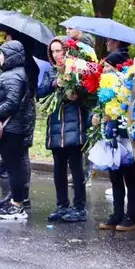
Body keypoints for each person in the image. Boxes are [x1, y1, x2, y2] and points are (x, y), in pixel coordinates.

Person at [41, 37, 90, 223]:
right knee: (59, 168)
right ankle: (62, 205)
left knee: (76, 167)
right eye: (52, 51)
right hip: (56, 125)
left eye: (58, 51)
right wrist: (54, 84)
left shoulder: (77, 69)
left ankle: (79, 207)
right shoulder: (50, 71)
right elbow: (39, 91)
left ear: (66, 51)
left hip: (74, 124)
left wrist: (75, 94)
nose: (55, 55)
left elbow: (87, 93)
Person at [96, 40, 135, 233]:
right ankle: (117, 213)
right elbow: (97, 108)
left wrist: (118, 113)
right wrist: (96, 117)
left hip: (125, 136)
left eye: (108, 67)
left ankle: (131, 217)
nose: (104, 70)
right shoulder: (105, 88)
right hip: (110, 137)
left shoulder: (127, 87)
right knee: (114, 177)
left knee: (129, 177)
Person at [0, 40, 35, 220]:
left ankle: (17, 205)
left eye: (2, 54)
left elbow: (11, 102)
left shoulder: (13, 76)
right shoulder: (14, 73)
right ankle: (16, 201)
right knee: (13, 167)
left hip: (12, 128)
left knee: (14, 168)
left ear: (10, 56)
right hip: (13, 127)